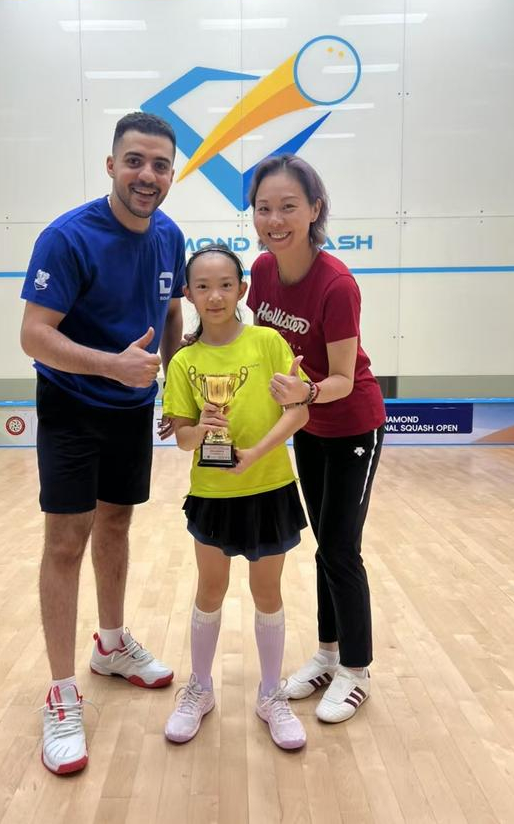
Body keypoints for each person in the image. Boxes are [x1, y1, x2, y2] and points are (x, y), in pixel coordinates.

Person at [20, 112, 186, 775]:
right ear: (112, 165)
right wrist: (111, 366)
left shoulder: (169, 235)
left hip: (132, 408)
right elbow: (35, 335)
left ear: (171, 174)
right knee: (66, 542)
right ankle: (62, 693)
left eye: (160, 165)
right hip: (71, 406)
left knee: (117, 522)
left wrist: (173, 385)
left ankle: (111, 645)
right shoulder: (67, 237)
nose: (147, 175)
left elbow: (170, 310)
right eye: (135, 161)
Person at [246, 154, 386, 724]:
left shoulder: (336, 284)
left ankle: (356, 669)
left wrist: (302, 393)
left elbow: (343, 379)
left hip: (353, 425)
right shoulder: (261, 270)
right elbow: (260, 346)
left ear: (314, 210)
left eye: (288, 207)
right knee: (324, 543)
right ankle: (327, 655)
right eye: (263, 208)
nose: (274, 220)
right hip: (308, 425)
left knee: (340, 548)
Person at [162, 243, 310, 750]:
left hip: (269, 487)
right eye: (203, 287)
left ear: (242, 289)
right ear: (188, 294)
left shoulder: (268, 343)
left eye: (226, 285)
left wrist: (255, 454)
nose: (215, 296)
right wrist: (202, 428)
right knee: (210, 590)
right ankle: (200, 689)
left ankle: (271, 694)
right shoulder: (184, 362)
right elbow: (183, 439)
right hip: (212, 493)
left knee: (268, 594)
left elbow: (299, 412)